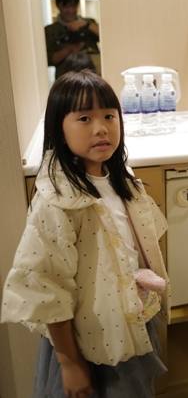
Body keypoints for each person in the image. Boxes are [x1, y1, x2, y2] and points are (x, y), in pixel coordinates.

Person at [1, 71, 169, 397]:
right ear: (59, 129)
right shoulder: (58, 200)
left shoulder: (122, 179)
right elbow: (48, 286)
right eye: (84, 118)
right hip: (84, 337)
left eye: (109, 116)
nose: (101, 128)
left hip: (129, 318)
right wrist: (69, 362)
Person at [45, 0, 100, 79]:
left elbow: (106, 37)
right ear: (58, 5)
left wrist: (86, 25)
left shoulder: (89, 23)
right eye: (66, 6)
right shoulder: (51, 30)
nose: (71, 10)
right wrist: (70, 49)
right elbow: (49, 60)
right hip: (66, 77)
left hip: (94, 75)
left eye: (74, 6)